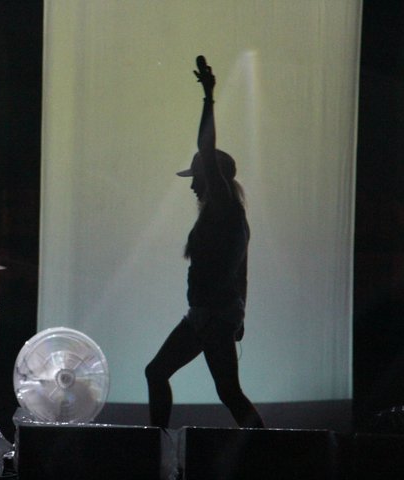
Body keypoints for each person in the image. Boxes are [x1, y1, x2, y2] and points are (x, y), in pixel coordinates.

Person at [145, 57, 264, 429]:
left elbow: (206, 147)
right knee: (169, 375)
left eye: (197, 177)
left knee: (225, 391)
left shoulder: (224, 208)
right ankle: (160, 440)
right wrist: (240, 316)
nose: (193, 185)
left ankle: (269, 448)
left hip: (212, 315)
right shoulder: (227, 216)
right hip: (209, 314)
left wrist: (209, 95)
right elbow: (242, 273)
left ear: (212, 178)